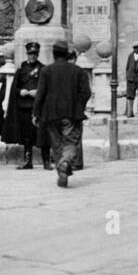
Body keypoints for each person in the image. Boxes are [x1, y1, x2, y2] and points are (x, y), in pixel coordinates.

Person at [33, 40, 91, 189]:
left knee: (57, 145)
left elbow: (40, 94)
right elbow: (86, 93)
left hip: (50, 115)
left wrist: (36, 113)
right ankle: (65, 163)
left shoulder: (46, 71)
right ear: (67, 55)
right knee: (70, 143)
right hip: (71, 115)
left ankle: (62, 172)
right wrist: (79, 107)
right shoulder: (78, 71)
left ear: (53, 54)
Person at [4, 41, 43, 169]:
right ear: (27, 54)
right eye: (31, 54)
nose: (32, 56)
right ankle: (28, 161)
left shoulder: (42, 69)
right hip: (24, 106)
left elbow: (46, 87)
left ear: (38, 54)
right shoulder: (21, 69)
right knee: (26, 135)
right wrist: (21, 91)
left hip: (37, 106)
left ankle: (46, 161)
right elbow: (14, 88)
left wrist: (37, 92)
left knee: (41, 133)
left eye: (35, 54)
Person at [123, 42, 138, 118]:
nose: (136, 49)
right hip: (131, 78)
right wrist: (127, 76)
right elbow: (127, 67)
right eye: (135, 48)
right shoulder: (130, 56)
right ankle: (130, 112)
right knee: (130, 96)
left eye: (137, 48)